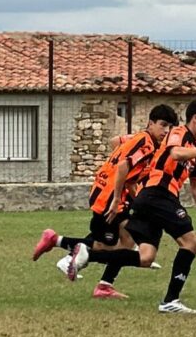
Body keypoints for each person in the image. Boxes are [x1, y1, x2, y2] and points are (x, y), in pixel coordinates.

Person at [68, 98, 196, 315]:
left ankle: (88, 254)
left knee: (146, 257)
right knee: (191, 243)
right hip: (158, 195)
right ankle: (171, 300)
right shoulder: (178, 133)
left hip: (151, 200)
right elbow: (175, 153)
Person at [32, 104, 178, 297]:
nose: (166, 131)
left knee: (127, 240)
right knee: (107, 245)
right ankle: (61, 244)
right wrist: (116, 198)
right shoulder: (146, 144)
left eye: (170, 127)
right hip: (109, 197)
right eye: (163, 125)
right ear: (151, 123)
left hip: (108, 191)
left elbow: (118, 150)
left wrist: (136, 198)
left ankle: (103, 283)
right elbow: (124, 166)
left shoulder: (140, 139)